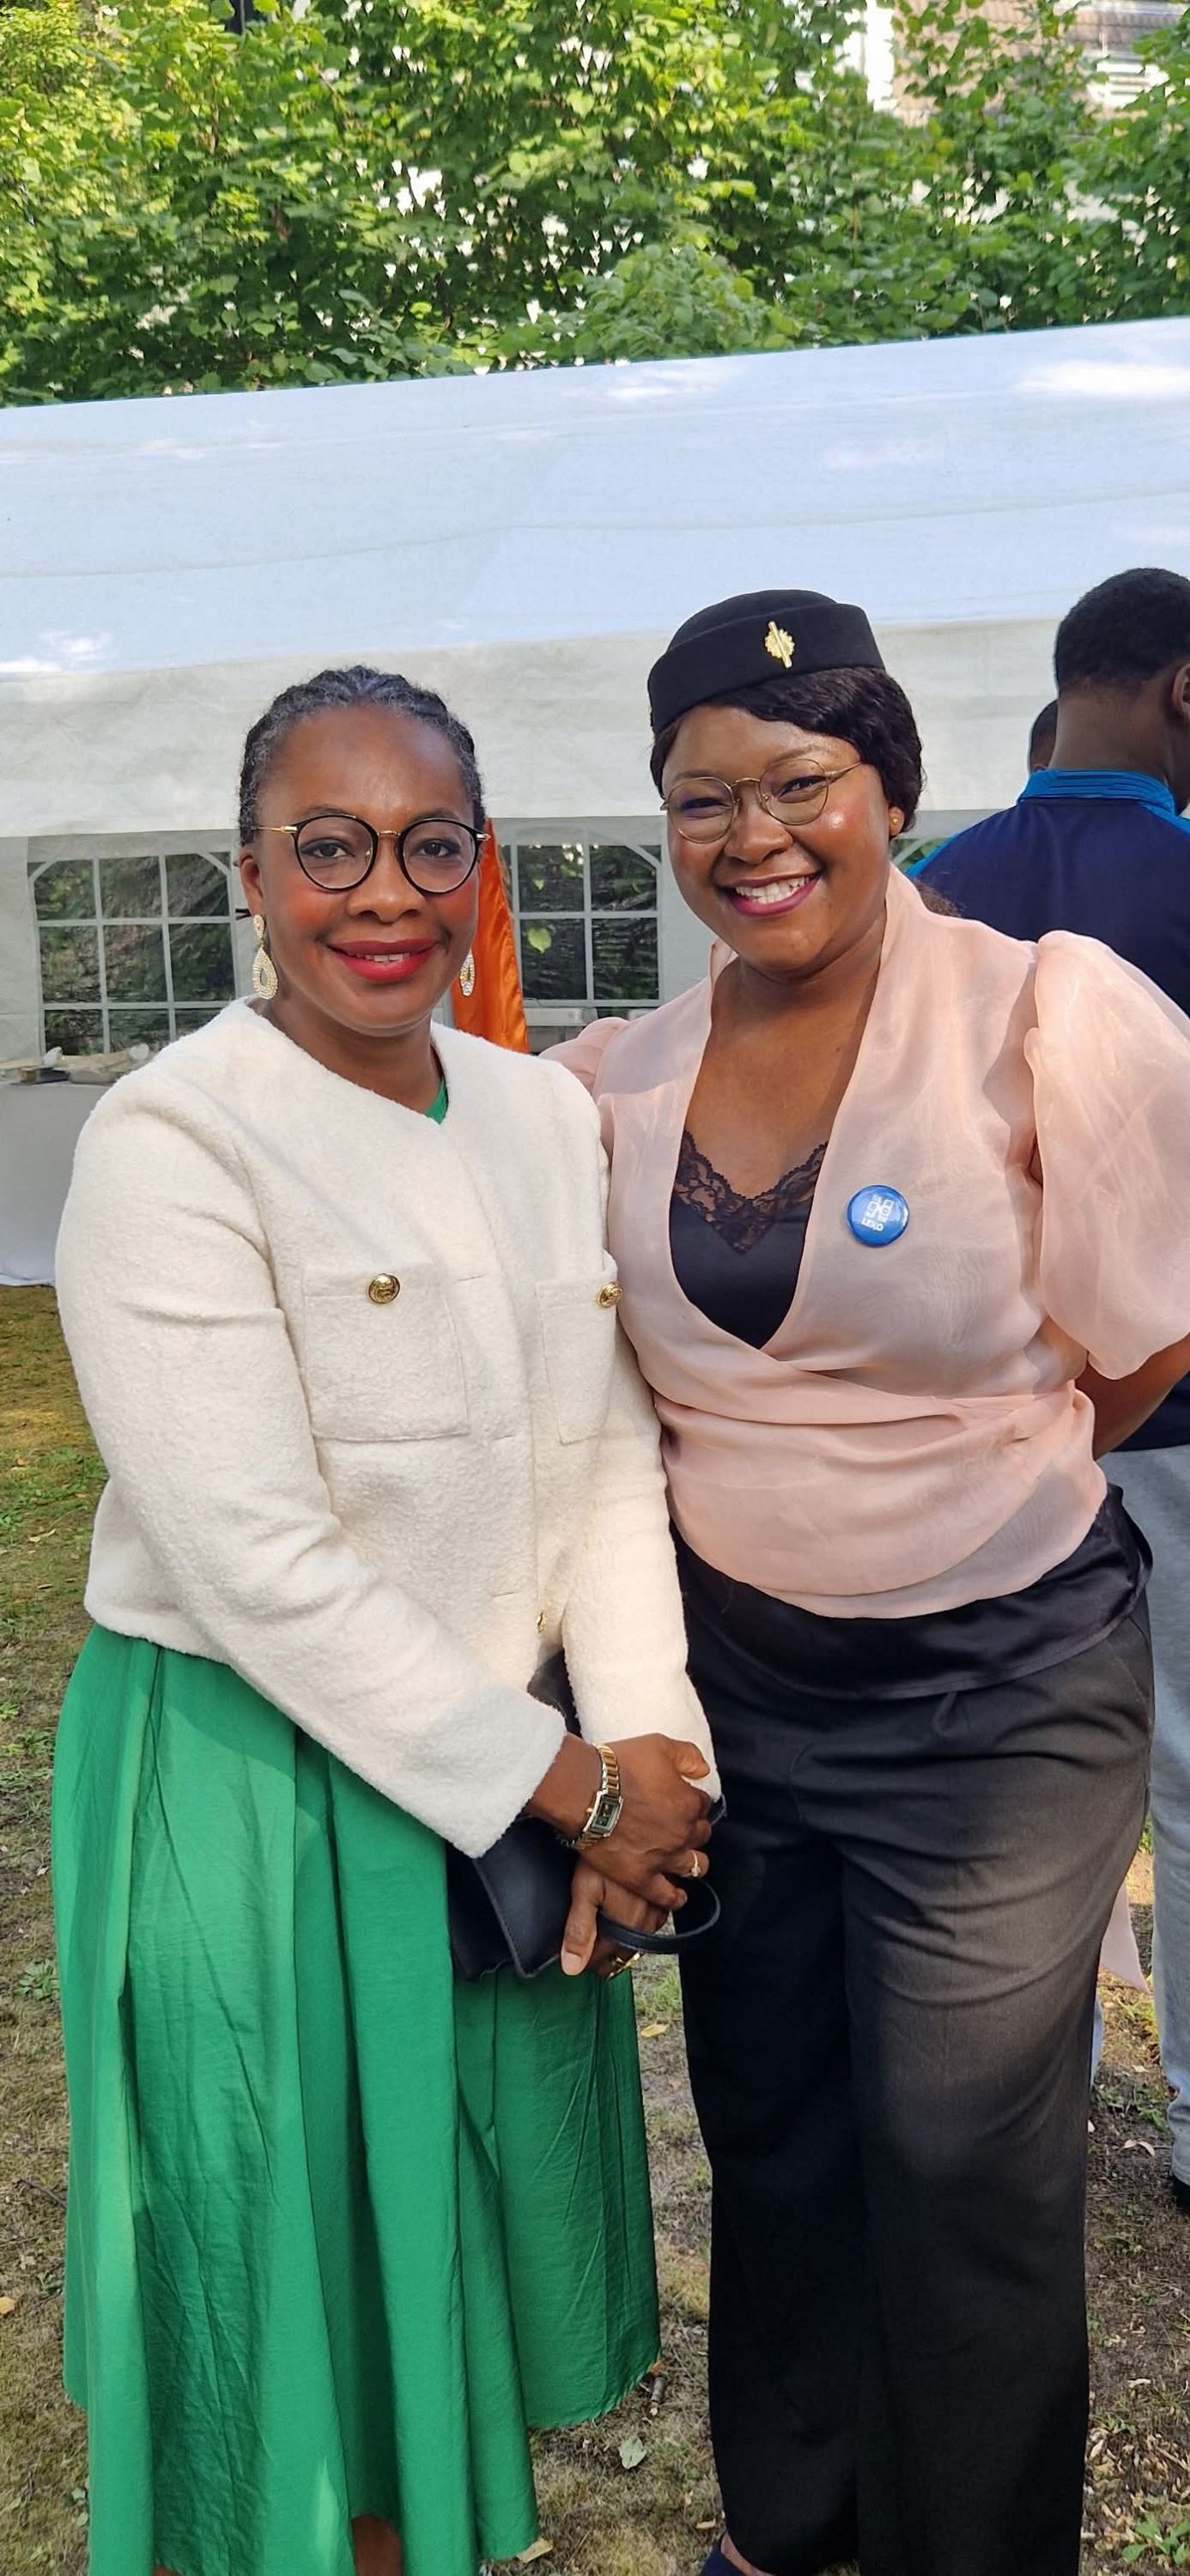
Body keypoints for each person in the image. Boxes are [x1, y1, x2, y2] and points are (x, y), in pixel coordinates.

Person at [51, 665, 719, 2576]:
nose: (383, 897)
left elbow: (606, 1450)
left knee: (465, 2255)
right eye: (329, 847)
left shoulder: (538, 1113)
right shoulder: (175, 1140)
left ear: (481, 870)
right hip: (260, 1781)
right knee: (305, 2298)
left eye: (432, 849)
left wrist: (652, 1744)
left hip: (519, 1779)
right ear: (249, 875)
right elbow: (254, 1557)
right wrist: (578, 1791)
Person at [549, 588, 1190, 2576]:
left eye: (801, 781)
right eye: (703, 797)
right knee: (776, 2131)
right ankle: (787, 2527)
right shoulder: (607, 1084)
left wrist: (964, 1476)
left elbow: (1148, 1340)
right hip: (740, 1688)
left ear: (892, 789)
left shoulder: (1047, 1012)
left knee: (961, 2172)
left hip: (1000, 1694)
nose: (754, 834)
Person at [918, 566, 1190, 2214]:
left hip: (993, 1419)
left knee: (1019, 1772)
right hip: (1178, 1415)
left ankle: (1033, 2100)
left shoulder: (929, 895)